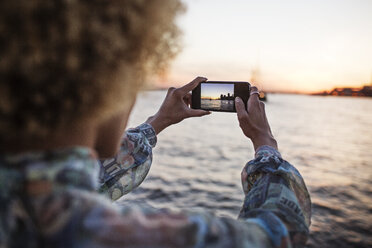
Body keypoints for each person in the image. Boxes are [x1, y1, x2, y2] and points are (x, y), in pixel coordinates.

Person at [0, 1, 311, 247]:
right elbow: (280, 234)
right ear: (104, 81)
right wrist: (265, 145)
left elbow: (93, 177)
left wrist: (157, 123)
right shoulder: (111, 236)